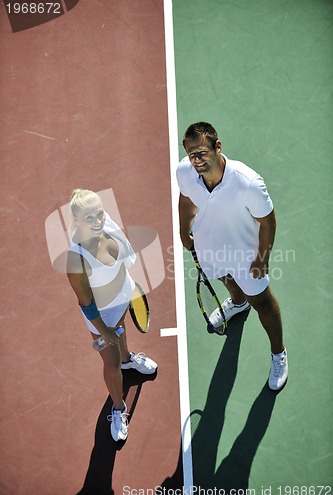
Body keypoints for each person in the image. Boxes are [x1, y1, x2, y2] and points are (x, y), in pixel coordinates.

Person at [177, 122, 288, 391]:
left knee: (262, 303)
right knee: (225, 279)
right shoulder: (185, 171)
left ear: (218, 146)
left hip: (246, 257)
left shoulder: (248, 182)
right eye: (192, 154)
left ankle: (278, 353)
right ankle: (238, 304)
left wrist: (263, 259)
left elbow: (268, 222)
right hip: (209, 247)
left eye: (202, 152)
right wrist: (183, 230)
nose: (197, 159)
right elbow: (186, 200)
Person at [66, 189, 157, 441]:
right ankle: (118, 408)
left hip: (123, 296)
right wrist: (103, 331)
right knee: (111, 363)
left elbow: (125, 261)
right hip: (101, 315)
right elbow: (86, 304)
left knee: (123, 332)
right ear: (76, 221)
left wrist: (130, 292)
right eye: (89, 218)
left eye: (100, 214)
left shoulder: (109, 226)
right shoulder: (76, 259)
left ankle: (129, 359)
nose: (98, 221)